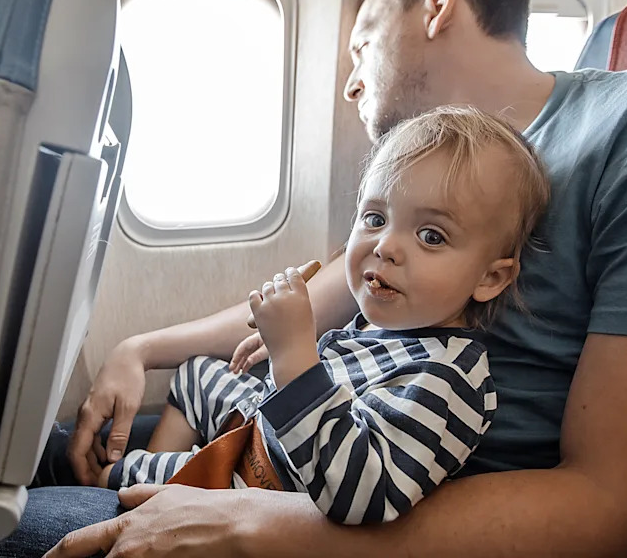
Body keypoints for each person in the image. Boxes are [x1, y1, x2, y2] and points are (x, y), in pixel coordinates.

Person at [0, 0, 627, 557]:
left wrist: (245, 522)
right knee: (1, 461)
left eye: (362, 45)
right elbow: (301, 305)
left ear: (436, 8)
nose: (352, 84)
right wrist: (137, 349)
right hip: (298, 451)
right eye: (377, 221)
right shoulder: (420, 192)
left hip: (368, 501)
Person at [98, 107, 549, 528]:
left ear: (490, 278)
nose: (385, 246)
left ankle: (151, 491)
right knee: (197, 376)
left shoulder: (449, 379)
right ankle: (173, 480)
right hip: (264, 437)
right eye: (375, 218)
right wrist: (280, 349)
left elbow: (356, 493)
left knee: (111, 470)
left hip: (266, 488)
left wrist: (294, 357)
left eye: (431, 236)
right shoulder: (385, 329)